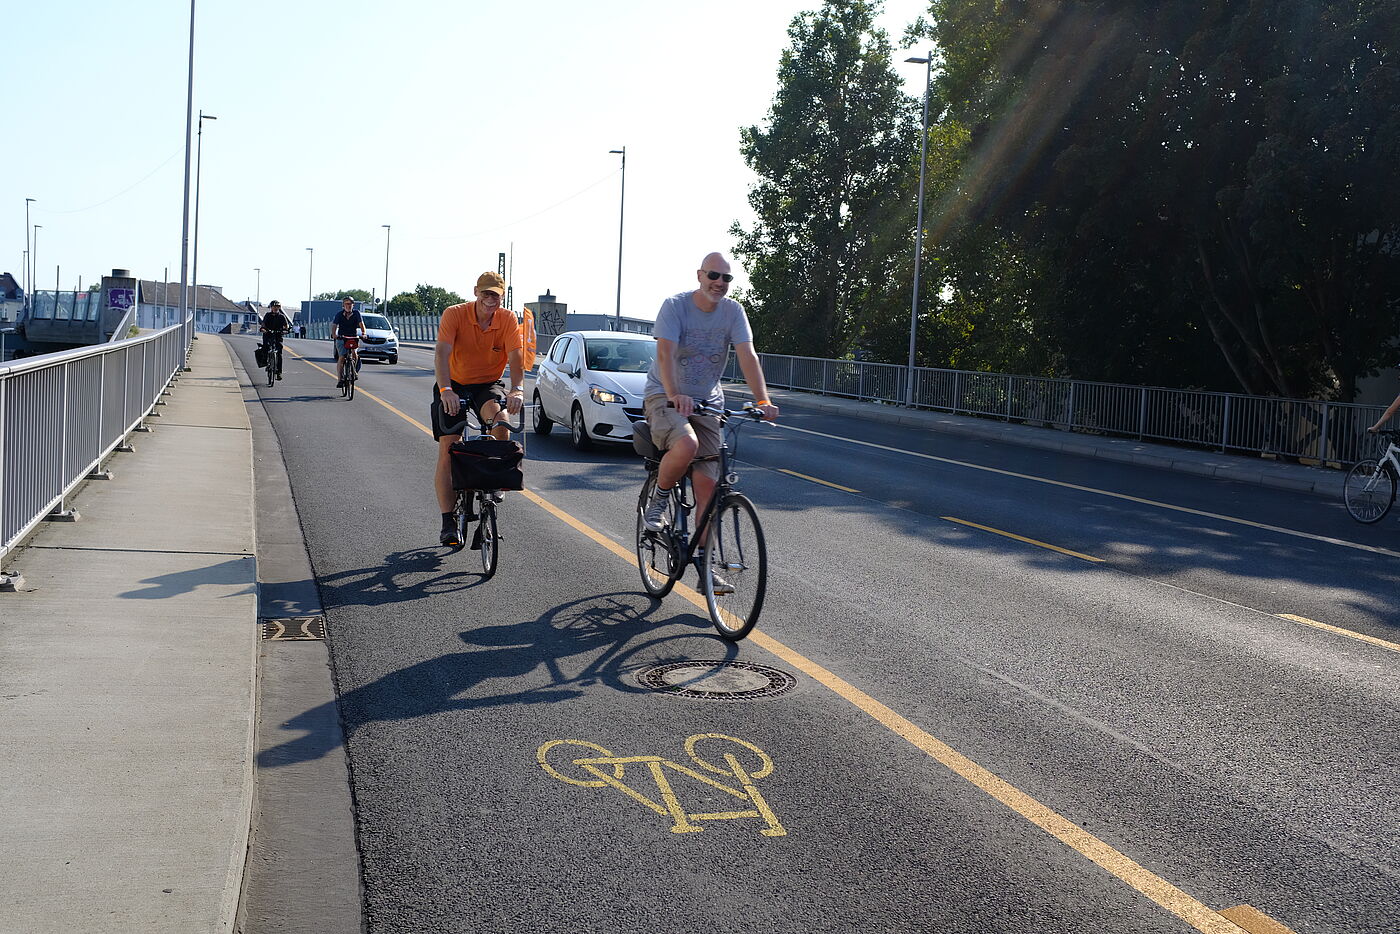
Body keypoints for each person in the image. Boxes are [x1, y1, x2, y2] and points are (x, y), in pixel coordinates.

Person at [640, 252, 779, 592]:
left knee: (708, 491)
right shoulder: (675, 306)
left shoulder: (733, 311)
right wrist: (674, 393)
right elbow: (665, 353)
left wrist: (763, 400)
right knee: (685, 444)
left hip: (707, 403)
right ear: (700, 275)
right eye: (714, 275)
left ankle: (704, 568)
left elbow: (748, 355)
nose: (719, 283)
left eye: (726, 278)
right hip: (664, 395)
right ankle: (659, 497)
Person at [431, 271, 525, 546]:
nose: (490, 299)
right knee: (450, 447)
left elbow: (516, 356)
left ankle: (491, 484)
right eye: (486, 293)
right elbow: (442, 354)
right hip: (454, 383)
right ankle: (448, 520)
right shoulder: (454, 314)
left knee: (501, 423)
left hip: (487, 384)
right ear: (475, 292)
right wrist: (446, 390)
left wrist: (517, 389)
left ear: (502, 295)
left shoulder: (507, 319)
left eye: (496, 294)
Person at [332, 297, 366, 388]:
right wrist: (334, 335)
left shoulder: (356, 313)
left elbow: (361, 324)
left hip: (353, 337)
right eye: (346, 304)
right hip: (342, 338)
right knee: (342, 357)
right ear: (343, 305)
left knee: (354, 353)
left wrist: (364, 333)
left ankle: (353, 371)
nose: (348, 306)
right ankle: (340, 379)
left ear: (353, 305)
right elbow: (334, 325)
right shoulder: (339, 314)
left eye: (350, 304)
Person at [259, 300, 291, 379]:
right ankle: (266, 363)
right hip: (268, 334)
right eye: (274, 307)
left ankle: (279, 372)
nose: (275, 308)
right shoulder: (268, 315)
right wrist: (263, 328)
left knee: (279, 352)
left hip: (278, 335)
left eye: (277, 307)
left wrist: (286, 329)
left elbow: (286, 325)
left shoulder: (282, 316)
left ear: (279, 308)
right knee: (265, 347)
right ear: (271, 307)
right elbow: (263, 323)